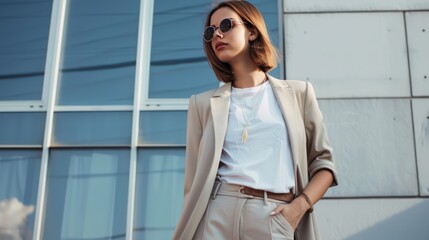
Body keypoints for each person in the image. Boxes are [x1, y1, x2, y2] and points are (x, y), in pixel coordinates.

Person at [173, 1, 338, 239]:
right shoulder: (202, 104)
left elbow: (325, 165)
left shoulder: (299, 94)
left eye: (227, 25)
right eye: (210, 31)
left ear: (252, 31)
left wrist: (298, 208)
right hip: (217, 212)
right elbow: (192, 185)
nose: (217, 34)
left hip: (274, 214)